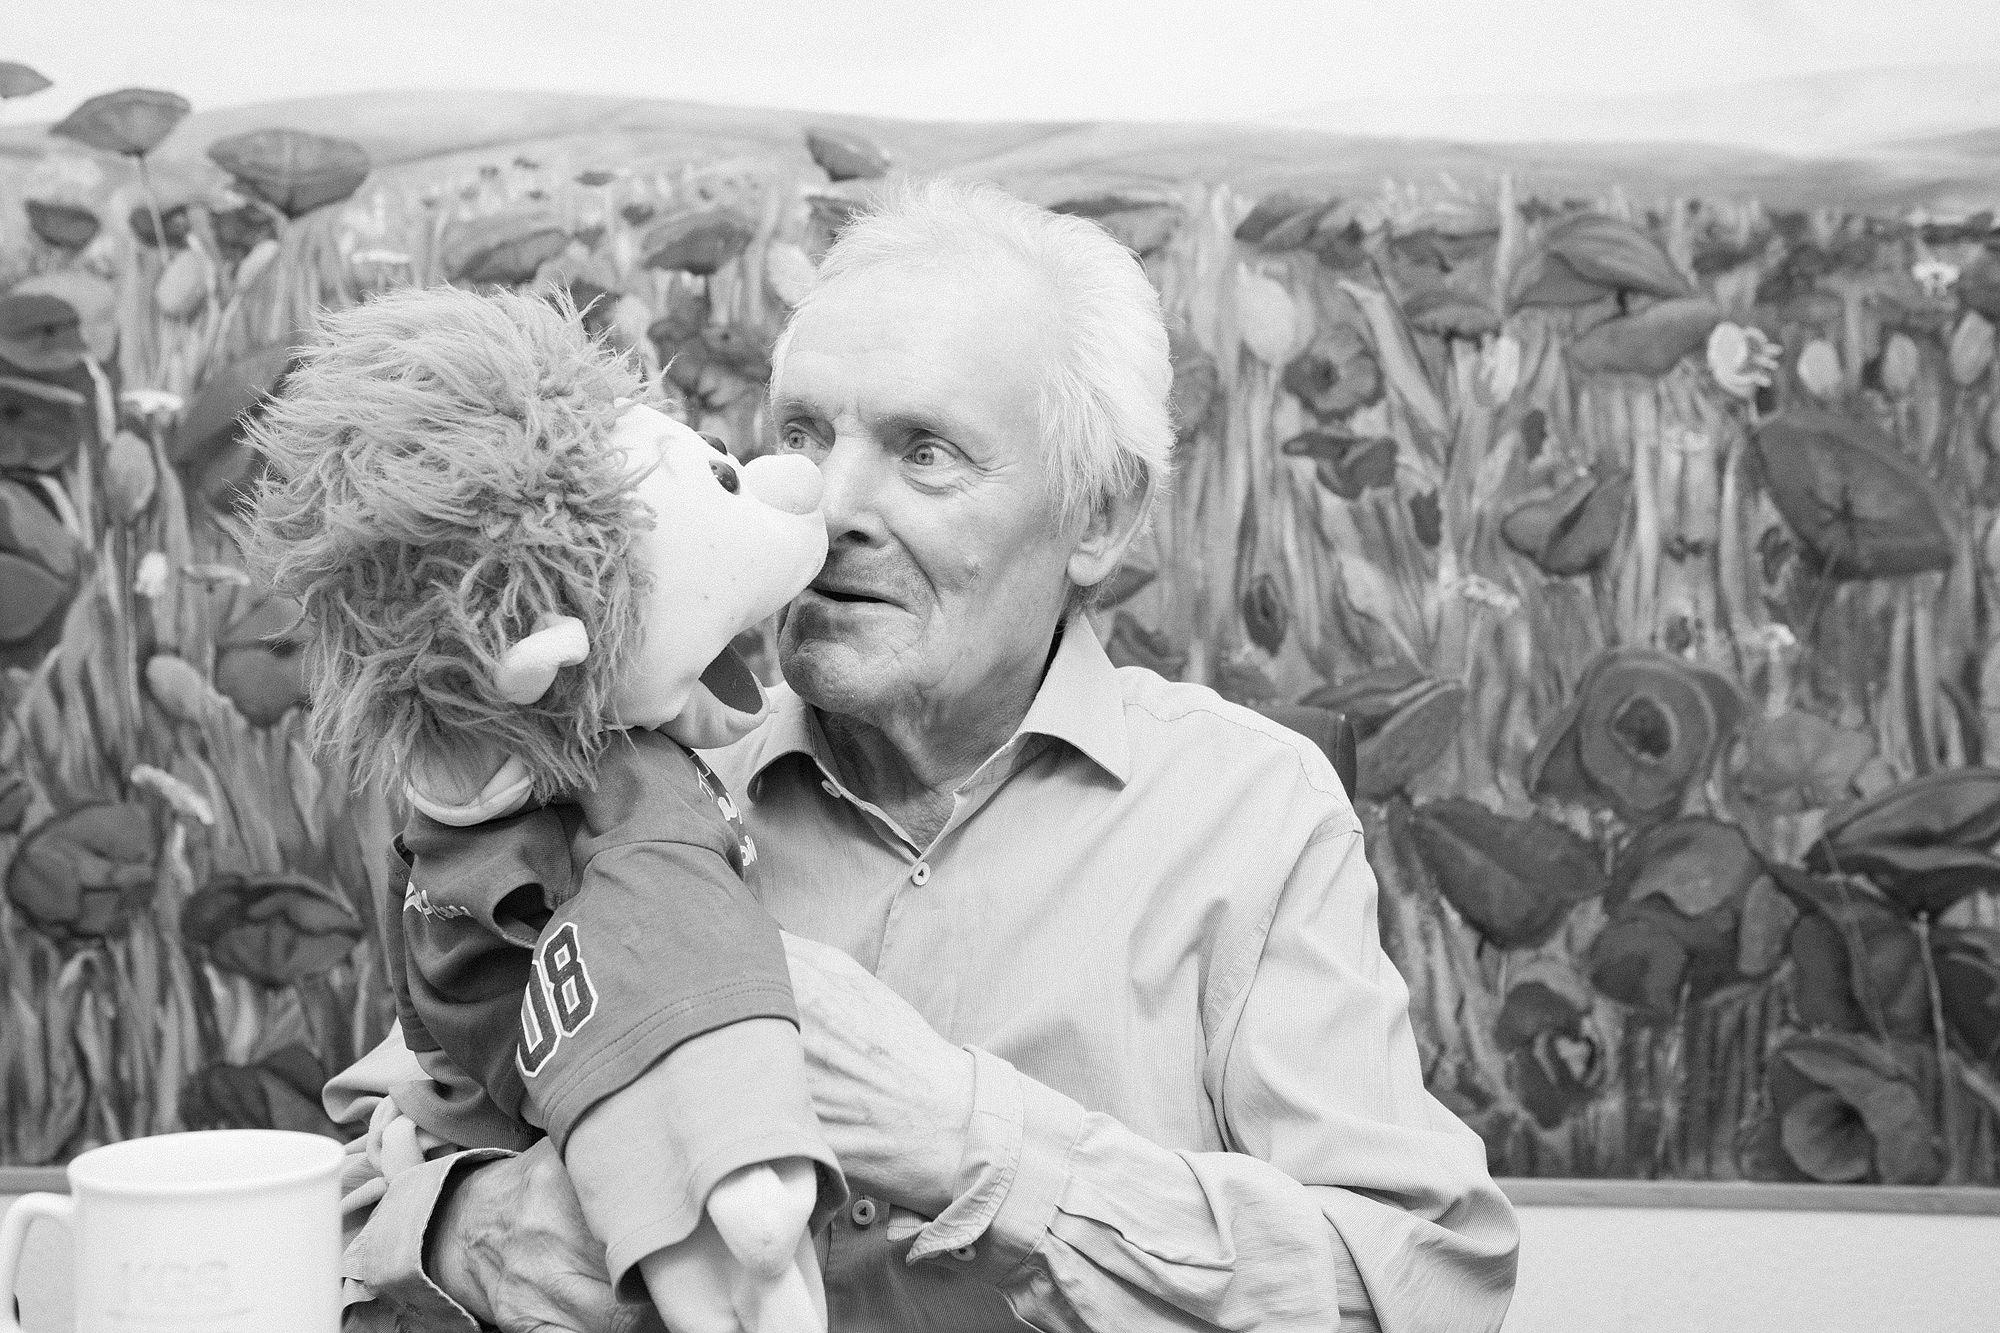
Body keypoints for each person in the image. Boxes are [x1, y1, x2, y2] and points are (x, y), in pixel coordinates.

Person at [328, 179, 1520, 1333]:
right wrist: (466, 1229)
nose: (832, 502)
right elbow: (351, 1187)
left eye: (926, 451)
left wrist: (965, 1136)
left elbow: (1423, 1280)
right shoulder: (609, 786)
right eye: (803, 433)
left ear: (1099, 516)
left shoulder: (1251, 811)